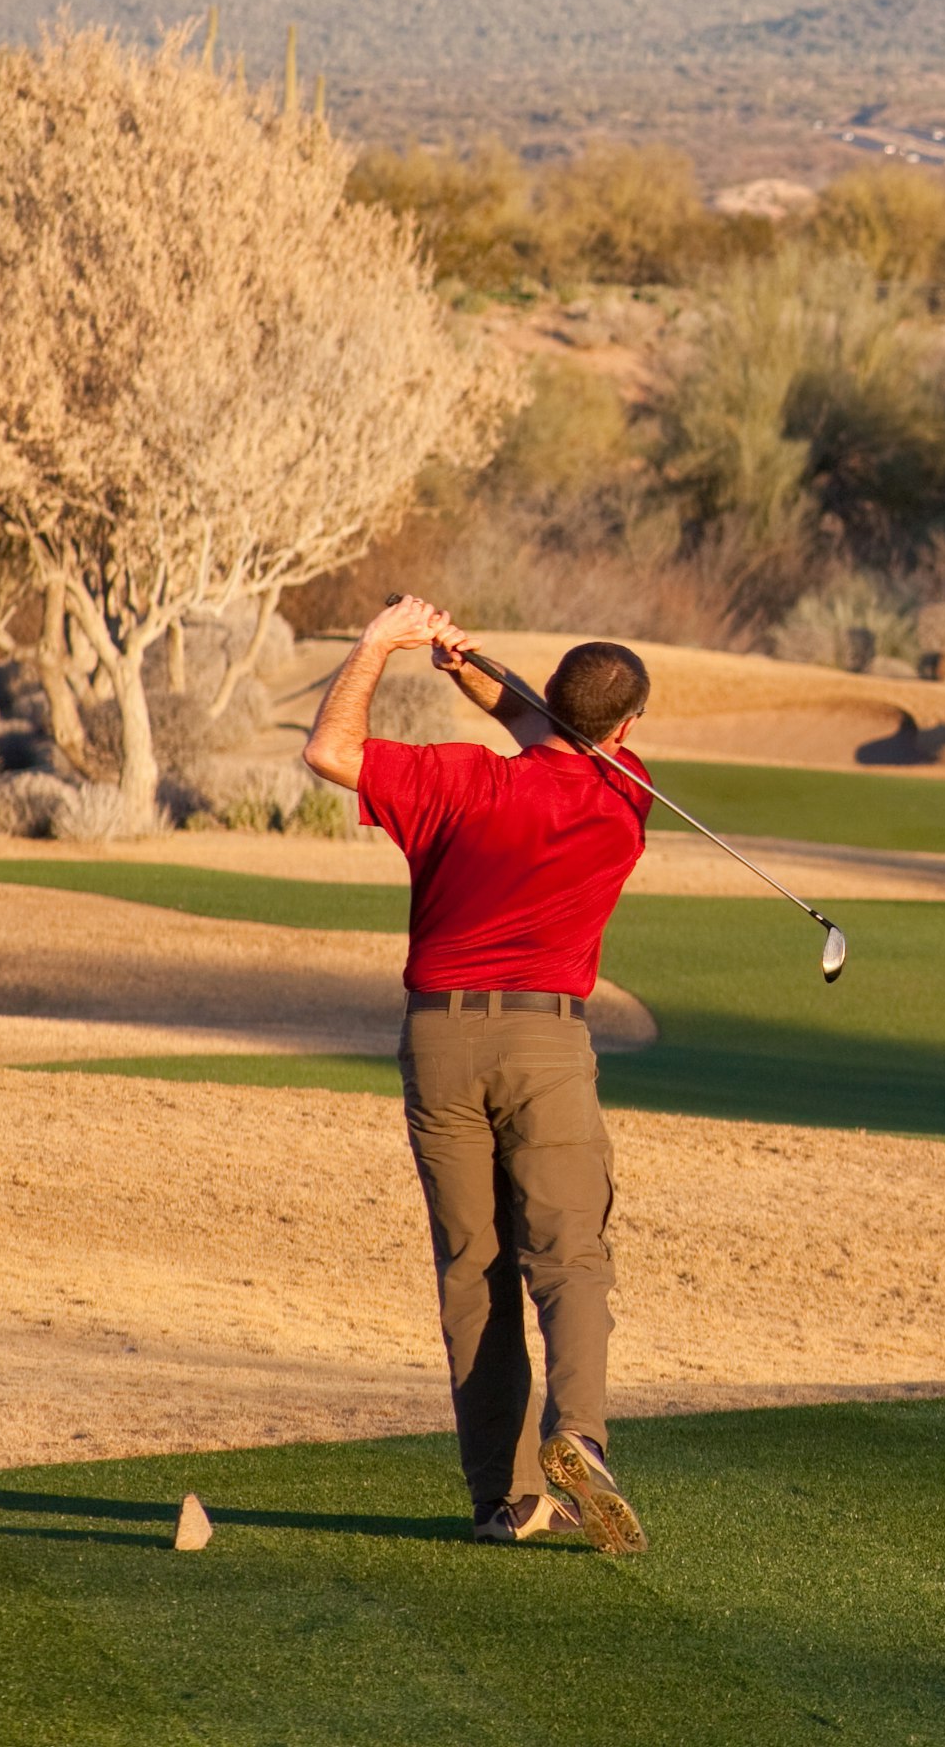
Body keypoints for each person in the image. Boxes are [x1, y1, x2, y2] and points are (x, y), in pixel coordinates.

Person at [301, 595, 654, 1554]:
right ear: (625, 729)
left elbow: (332, 751)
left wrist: (381, 647)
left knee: (476, 1270)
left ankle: (507, 1500)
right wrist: (471, 670)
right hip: (547, 1045)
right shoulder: (627, 796)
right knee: (569, 1257)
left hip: (441, 1045)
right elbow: (555, 729)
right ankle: (577, 1435)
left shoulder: (457, 783)